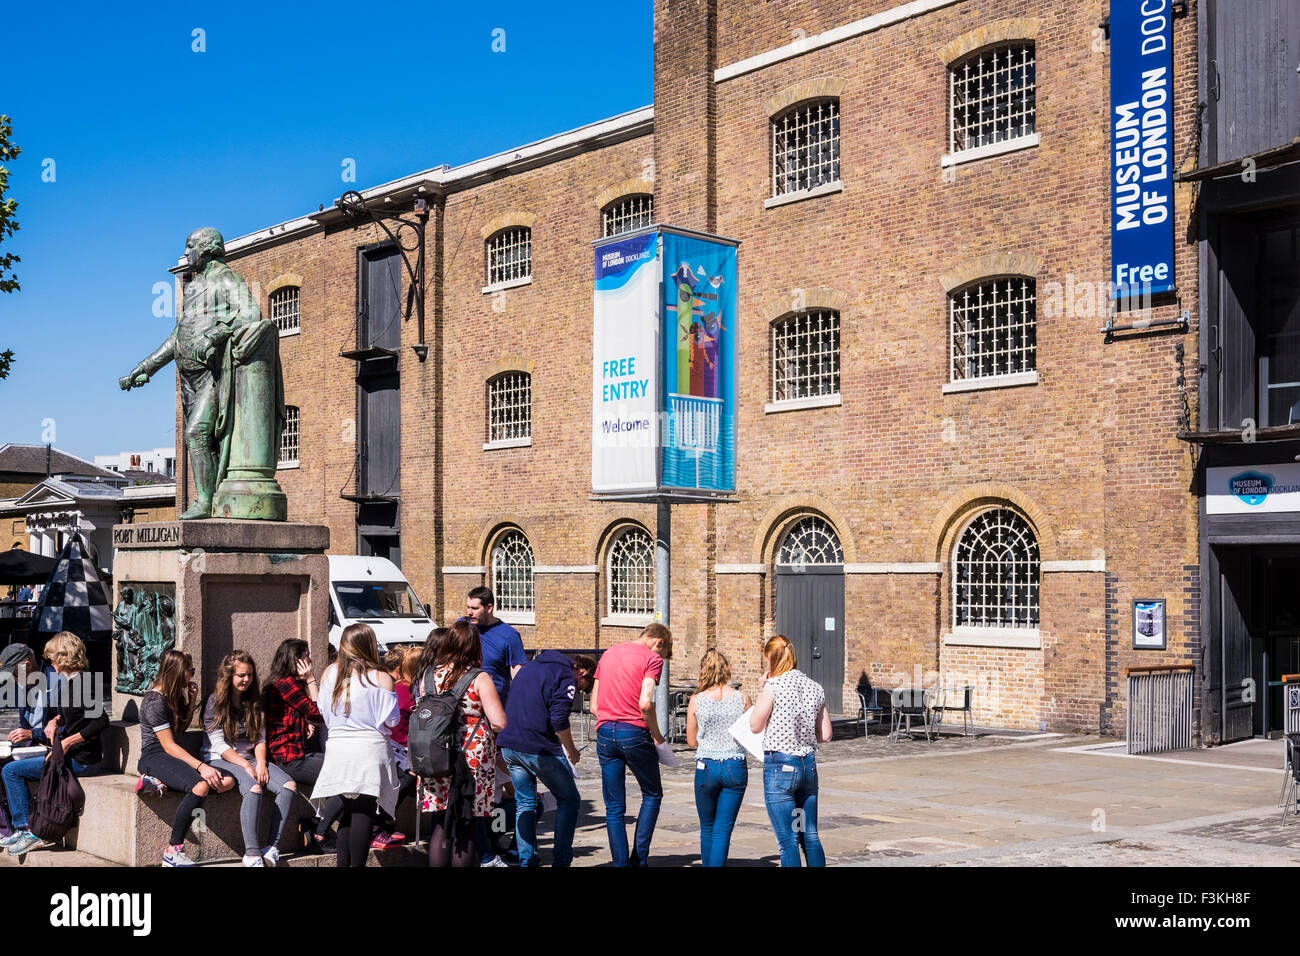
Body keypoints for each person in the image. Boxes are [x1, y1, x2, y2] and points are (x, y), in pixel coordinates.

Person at [1, 632, 109, 857]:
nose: (50, 663)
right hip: (67, 754)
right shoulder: (71, 683)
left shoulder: (85, 682)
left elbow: (101, 721)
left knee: (11, 771)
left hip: (82, 760)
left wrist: (69, 740)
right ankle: (23, 827)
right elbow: (69, 714)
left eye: (52, 658)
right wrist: (55, 720)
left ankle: (26, 828)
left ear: (64, 657)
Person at [416, 620, 506, 868]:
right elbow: (498, 722)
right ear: (474, 646)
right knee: (466, 823)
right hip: (470, 757)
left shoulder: (429, 675)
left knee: (440, 823)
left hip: (435, 753)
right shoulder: (479, 677)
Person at [311, 623, 401, 868]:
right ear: (370, 645)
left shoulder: (330, 672)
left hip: (339, 747)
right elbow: (391, 721)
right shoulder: (382, 677)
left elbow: (324, 713)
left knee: (348, 812)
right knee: (363, 811)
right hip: (369, 748)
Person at [136, 649, 236, 866]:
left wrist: (191, 702)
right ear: (178, 672)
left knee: (227, 780)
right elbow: (169, 745)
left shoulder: (169, 698)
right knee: (200, 786)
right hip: (154, 756)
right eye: (189, 670)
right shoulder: (154, 702)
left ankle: (158, 782)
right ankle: (173, 851)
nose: (192, 674)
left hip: (170, 756)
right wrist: (202, 767)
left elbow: (179, 730)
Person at [498, 652, 596, 867]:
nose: (578, 691)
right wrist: (571, 751)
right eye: (582, 688)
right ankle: (561, 861)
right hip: (538, 747)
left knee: (525, 802)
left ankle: (527, 861)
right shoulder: (566, 675)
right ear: (583, 672)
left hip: (510, 744)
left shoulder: (529, 668)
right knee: (569, 800)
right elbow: (559, 718)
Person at [202, 650, 298, 867]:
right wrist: (246, 765)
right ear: (229, 676)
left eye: (250, 675)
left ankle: (272, 847)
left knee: (288, 785)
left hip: (252, 758)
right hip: (220, 758)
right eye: (241, 675)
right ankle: (252, 854)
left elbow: (261, 738)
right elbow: (218, 745)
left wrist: (261, 763)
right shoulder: (215, 702)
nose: (246, 679)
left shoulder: (254, 701)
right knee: (253, 788)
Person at [591, 622, 671, 867]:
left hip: (604, 731)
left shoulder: (609, 653)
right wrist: (658, 736)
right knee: (652, 793)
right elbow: (645, 703)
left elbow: (594, 705)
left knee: (614, 806)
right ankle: (639, 859)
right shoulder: (651, 659)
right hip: (634, 732)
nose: (661, 659)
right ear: (659, 642)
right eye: (664, 653)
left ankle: (619, 863)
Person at [748, 635, 832, 867]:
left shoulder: (773, 686)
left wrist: (761, 689)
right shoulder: (816, 687)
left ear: (771, 659)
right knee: (810, 835)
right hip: (807, 769)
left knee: (787, 840)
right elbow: (825, 734)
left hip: (781, 770)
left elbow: (755, 725)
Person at [262, 638, 344, 852]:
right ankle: (320, 831)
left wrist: (305, 722)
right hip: (289, 760)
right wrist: (310, 679)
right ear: (295, 660)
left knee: (343, 766)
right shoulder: (286, 685)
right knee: (344, 776)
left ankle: (316, 825)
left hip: (298, 754)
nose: (311, 659)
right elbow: (320, 714)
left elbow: (304, 715)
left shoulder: (283, 683)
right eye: (306, 655)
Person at [686, 649, 750, 867]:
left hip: (706, 767)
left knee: (707, 827)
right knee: (723, 828)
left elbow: (691, 741)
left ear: (703, 670)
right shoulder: (742, 698)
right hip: (735, 766)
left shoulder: (696, 701)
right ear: (727, 670)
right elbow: (752, 733)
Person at [370, 645, 421, 849]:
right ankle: (380, 824)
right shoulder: (408, 691)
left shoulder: (400, 687)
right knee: (408, 778)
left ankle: (385, 823)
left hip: (399, 748)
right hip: (398, 748)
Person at [464, 587, 525, 706]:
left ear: (489, 608)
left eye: (475, 608)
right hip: (463, 706)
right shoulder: (462, 627)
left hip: (494, 705)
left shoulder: (509, 635)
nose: (469, 612)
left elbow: (518, 676)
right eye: (468, 607)